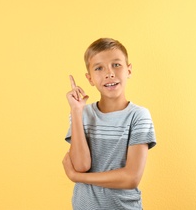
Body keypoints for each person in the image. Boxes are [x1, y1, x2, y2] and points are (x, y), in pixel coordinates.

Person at [62, 38, 157, 210]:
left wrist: (77, 177)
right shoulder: (82, 114)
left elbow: (131, 178)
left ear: (129, 70)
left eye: (116, 65)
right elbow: (81, 166)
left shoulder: (138, 116)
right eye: (99, 68)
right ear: (90, 78)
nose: (109, 73)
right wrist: (76, 112)